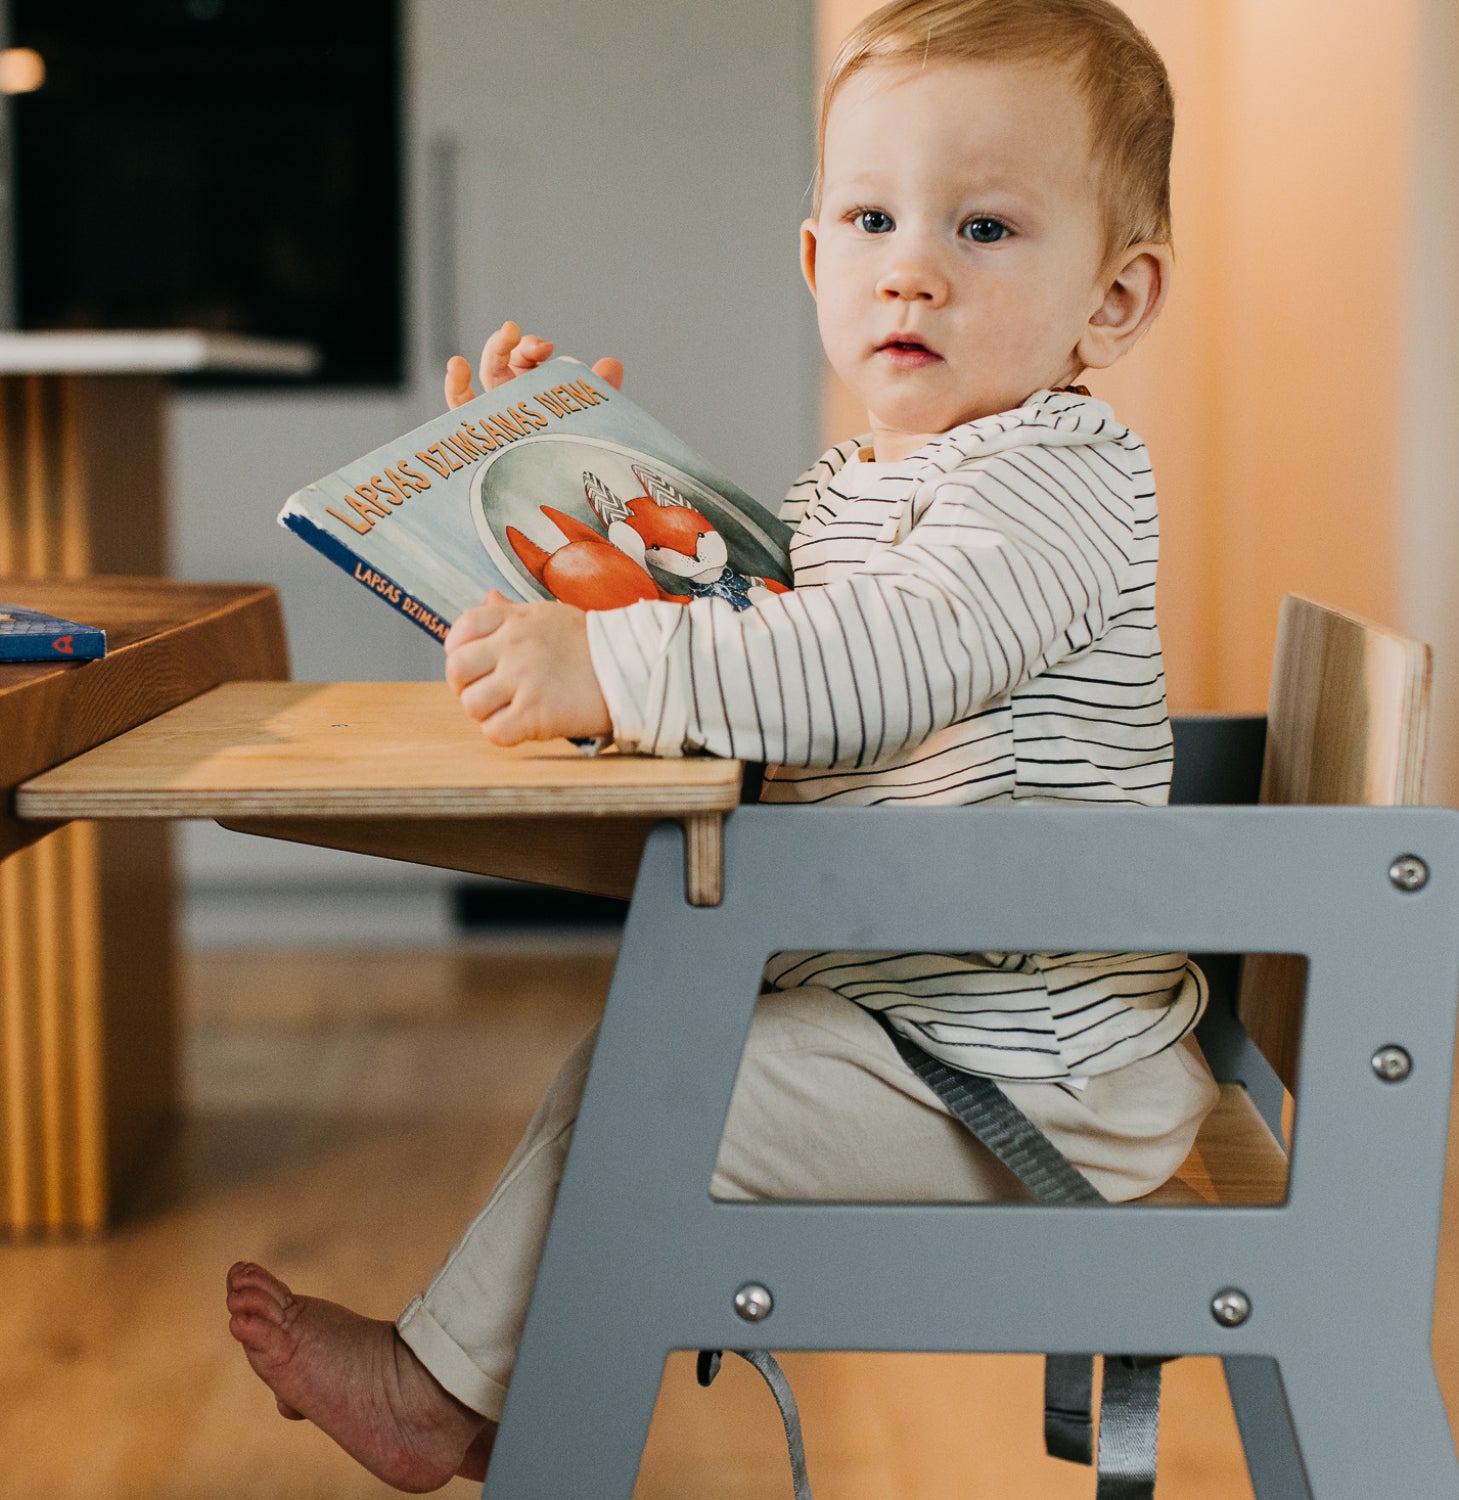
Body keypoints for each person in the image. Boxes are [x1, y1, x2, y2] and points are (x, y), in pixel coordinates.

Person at [225, 0, 1220, 1488]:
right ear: (818, 262)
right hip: (933, 1022)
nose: (915, 267)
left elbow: (875, 662)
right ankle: (481, 1378)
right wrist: (529, 480)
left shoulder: (1056, 484)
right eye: (873, 218)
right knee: (632, 1061)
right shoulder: (880, 482)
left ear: (1115, 300)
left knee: (661, 1085)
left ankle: (435, 1396)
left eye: (989, 229)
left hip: (1030, 1075)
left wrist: (613, 663)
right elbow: (742, 610)